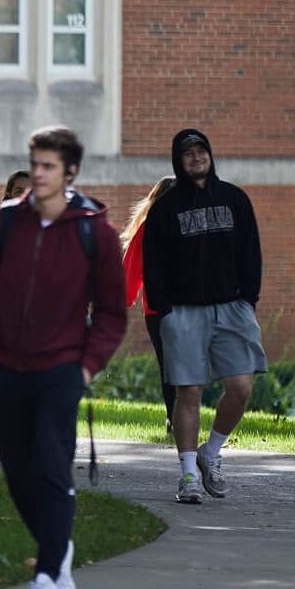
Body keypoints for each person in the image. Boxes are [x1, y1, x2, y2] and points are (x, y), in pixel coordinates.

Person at [0, 126, 126, 589]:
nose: (38, 173)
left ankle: (46, 575)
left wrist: (85, 367)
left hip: (60, 369)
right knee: (19, 474)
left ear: (70, 171)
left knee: (52, 469)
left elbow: (114, 313)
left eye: (49, 166)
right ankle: (61, 547)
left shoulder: (93, 230)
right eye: (35, 163)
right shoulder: (1, 225)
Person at [142, 128, 268, 505]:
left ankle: (210, 453)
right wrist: (166, 312)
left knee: (241, 385)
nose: (196, 158)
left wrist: (248, 300)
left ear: (210, 155)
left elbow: (251, 254)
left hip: (232, 308)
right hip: (182, 312)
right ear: (178, 161)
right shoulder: (165, 210)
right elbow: (154, 265)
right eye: (188, 154)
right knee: (189, 392)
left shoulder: (235, 200)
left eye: (201, 151)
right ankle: (187, 475)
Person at [120, 176, 176, 423]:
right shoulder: (148, 229)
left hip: (191, 308)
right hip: (158, 311)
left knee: (180, 367)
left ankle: (179, 418)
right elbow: (132, 269)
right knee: (170, 366)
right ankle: (174, 419)